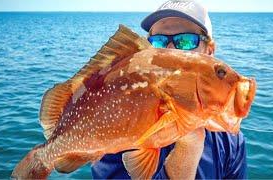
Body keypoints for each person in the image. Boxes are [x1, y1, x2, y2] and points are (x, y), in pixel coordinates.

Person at [91, 0, 247, 179]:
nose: (170, 50)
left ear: (209, 51)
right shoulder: (116, 113)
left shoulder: (231, 143)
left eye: (186, 41)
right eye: (159, 42)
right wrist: (188, 148)